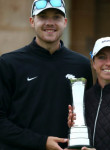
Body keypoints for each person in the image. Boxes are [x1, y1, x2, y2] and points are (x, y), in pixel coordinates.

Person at [0, 0, 93, 150]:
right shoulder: (9, 63)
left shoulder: (81, 65)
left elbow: (90, 115)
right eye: (43, 17)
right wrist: (42, 142)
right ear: (32, 21)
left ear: (65, 22)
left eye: (56, 17)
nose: (50, 23)